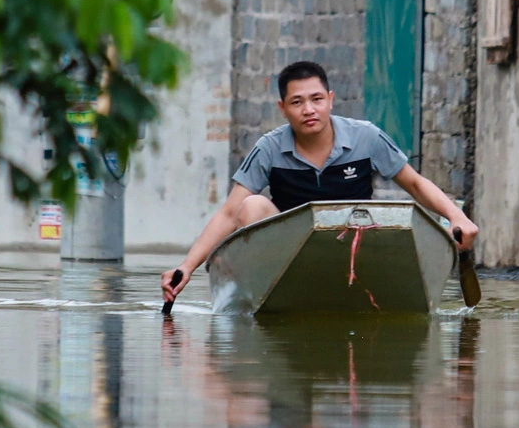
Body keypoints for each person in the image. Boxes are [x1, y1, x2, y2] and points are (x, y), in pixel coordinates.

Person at [160, 61, 478, 307]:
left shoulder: (365, 137)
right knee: (250, 205)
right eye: (297, 102)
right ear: (283, 109)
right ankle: (272, 295)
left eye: (316, 99)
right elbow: (230, 214)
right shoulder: (269, 148)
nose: (309, 110)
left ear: (330, 100)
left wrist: (457, 217)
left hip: (355, 243)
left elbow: (415, 183)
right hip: (287, 256)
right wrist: (186, 267)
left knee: (401, 218)